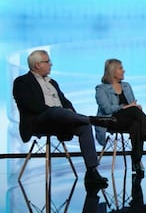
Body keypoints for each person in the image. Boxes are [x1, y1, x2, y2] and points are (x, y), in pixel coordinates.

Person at [12, 49, 109, 187]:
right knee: (55, 111)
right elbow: (31, 106)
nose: (51, 64)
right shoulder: (22, 82)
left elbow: (66, 102)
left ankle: (92, 172)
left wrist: (69, 111)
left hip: (60, 120)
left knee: (84, 127)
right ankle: (92, 119)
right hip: (39, 121)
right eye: (47, 62)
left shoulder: (53, 83)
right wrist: (57, 111)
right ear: (37, 65)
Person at [95, 58, 146, 173]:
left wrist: (135, 107)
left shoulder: (126, 86)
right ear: (113, 71)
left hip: (128, 120)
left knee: (136, 123)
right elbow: (106, 109)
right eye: (121, 68)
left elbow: (133, 105)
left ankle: (137, 160)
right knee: (135, 113)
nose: (124, 71)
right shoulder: (101, 89)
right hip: (110, 121)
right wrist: (125, 107)